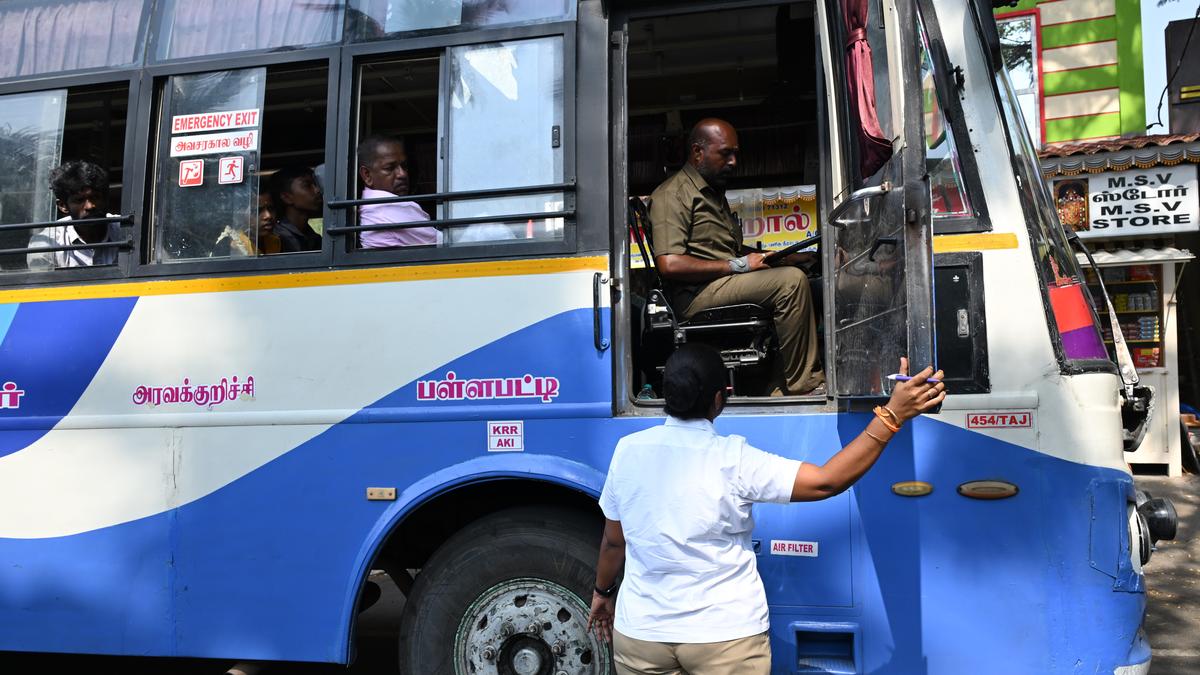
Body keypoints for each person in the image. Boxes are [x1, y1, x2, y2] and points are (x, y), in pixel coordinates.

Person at [588, 343, 945, 675]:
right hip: (725, 638)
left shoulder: (627, 451)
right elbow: (826, 481)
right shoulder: (734, 458)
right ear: (718, 400)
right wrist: (891, 416)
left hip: (641, 637)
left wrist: (602, 593)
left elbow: (614, 543)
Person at [650, 118, 823, 395]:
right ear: (697, 152)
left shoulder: (713, 194)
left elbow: (730, 250)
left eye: (735, 154)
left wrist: (787, 258)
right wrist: (739, 265)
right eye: (725, 153)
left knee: (813, 285)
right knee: (790, 283)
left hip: (722, 283)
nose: (733, 162)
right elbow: (669, 263)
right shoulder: (674, 195)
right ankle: (804, 385)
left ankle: (778, 382)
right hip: (697, 295)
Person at [27, 160, 122, 269]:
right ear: (63, 206)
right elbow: (42, 284)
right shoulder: (47, 244)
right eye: (79, 200)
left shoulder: (127, 231)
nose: (90, 206)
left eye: (95, 198)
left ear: (105, 199)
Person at [357, 135, 440, 248]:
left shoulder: (368, 204)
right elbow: (447, 244)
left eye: (404, 166)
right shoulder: (390, 207)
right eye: (389, 168)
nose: (403, 174)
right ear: (367, 175)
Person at [270, 165, 323, 252]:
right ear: (287, 197)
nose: (317, 190)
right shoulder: (277, 238)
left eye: (315, 185)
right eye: (307, 185)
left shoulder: (314, 237)